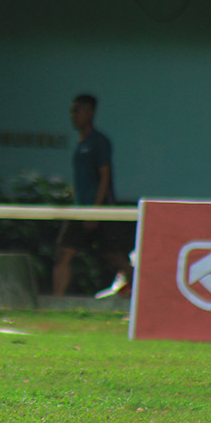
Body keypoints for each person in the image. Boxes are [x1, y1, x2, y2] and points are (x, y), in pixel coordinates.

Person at [51, 94, 133, 297]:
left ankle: (142, 295)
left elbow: (105, 176)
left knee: (115, 257)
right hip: (80, 208)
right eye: (72, 111)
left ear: (90, 113)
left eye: (77, 111)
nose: (73, 116)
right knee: (64, 253)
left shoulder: (99, 142)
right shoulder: (80, 144)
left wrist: (95, 211)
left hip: (100, 209)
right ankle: (56, 302)